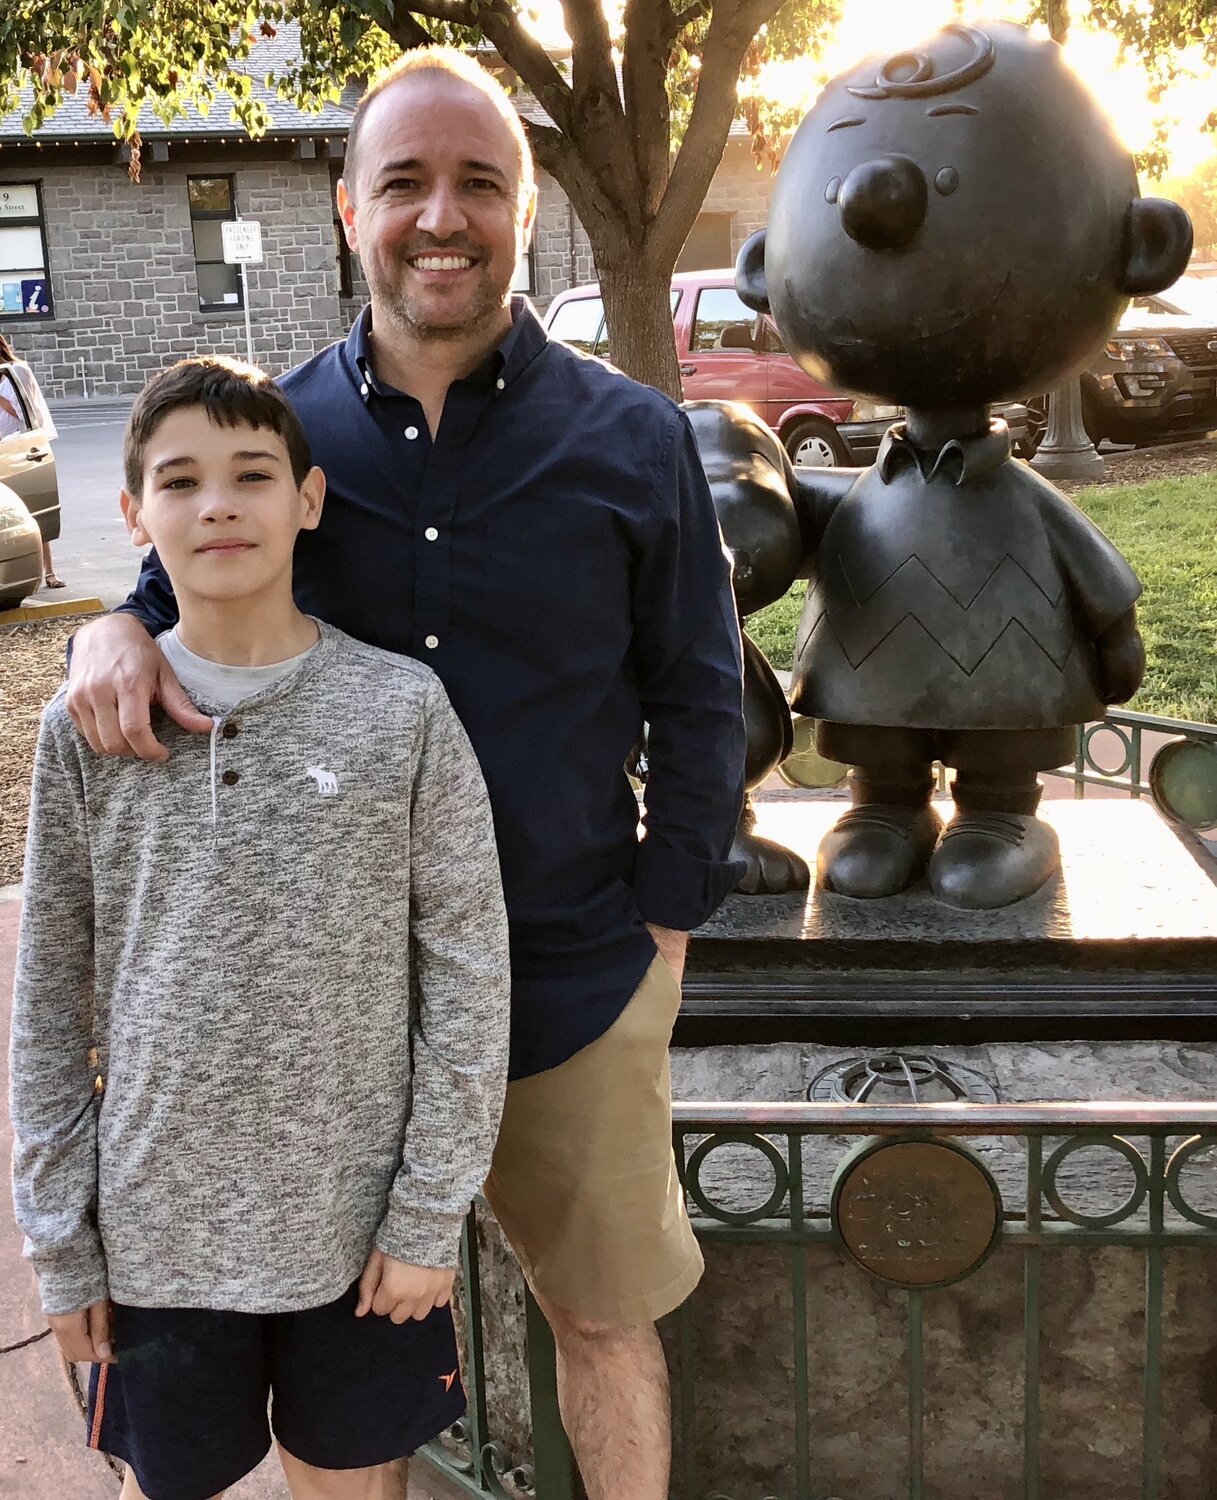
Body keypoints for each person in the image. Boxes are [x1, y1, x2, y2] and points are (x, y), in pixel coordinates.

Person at [64, 46, 746, 1500]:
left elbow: (701, 695)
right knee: (350, 1377)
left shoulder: (633, 440)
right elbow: (172, 584)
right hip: (334, 1018)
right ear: (348, 209)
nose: (442, 217)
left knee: (602, 1319)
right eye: (405, 184)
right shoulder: (280, 434)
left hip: (572, 975)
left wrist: (667, 927)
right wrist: (105, 634)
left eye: (478, 183)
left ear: (526, 207)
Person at [11, 355, 511, 1500]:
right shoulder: (83, 734)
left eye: (251, 474)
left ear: (308, 499)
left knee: (354, 1483)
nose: (219, 505)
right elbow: (47, 1003)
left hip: (358, 1229)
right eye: (180, 481)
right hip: (155, 1236)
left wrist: (428, 1210)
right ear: (134, 513)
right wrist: (60, 1241)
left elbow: (468, 975)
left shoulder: (400, 711)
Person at [0, 330, 65, 586]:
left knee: (32, 511)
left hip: (16, 450)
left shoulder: (16, 372)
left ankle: (49, 571)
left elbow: (28, 414)